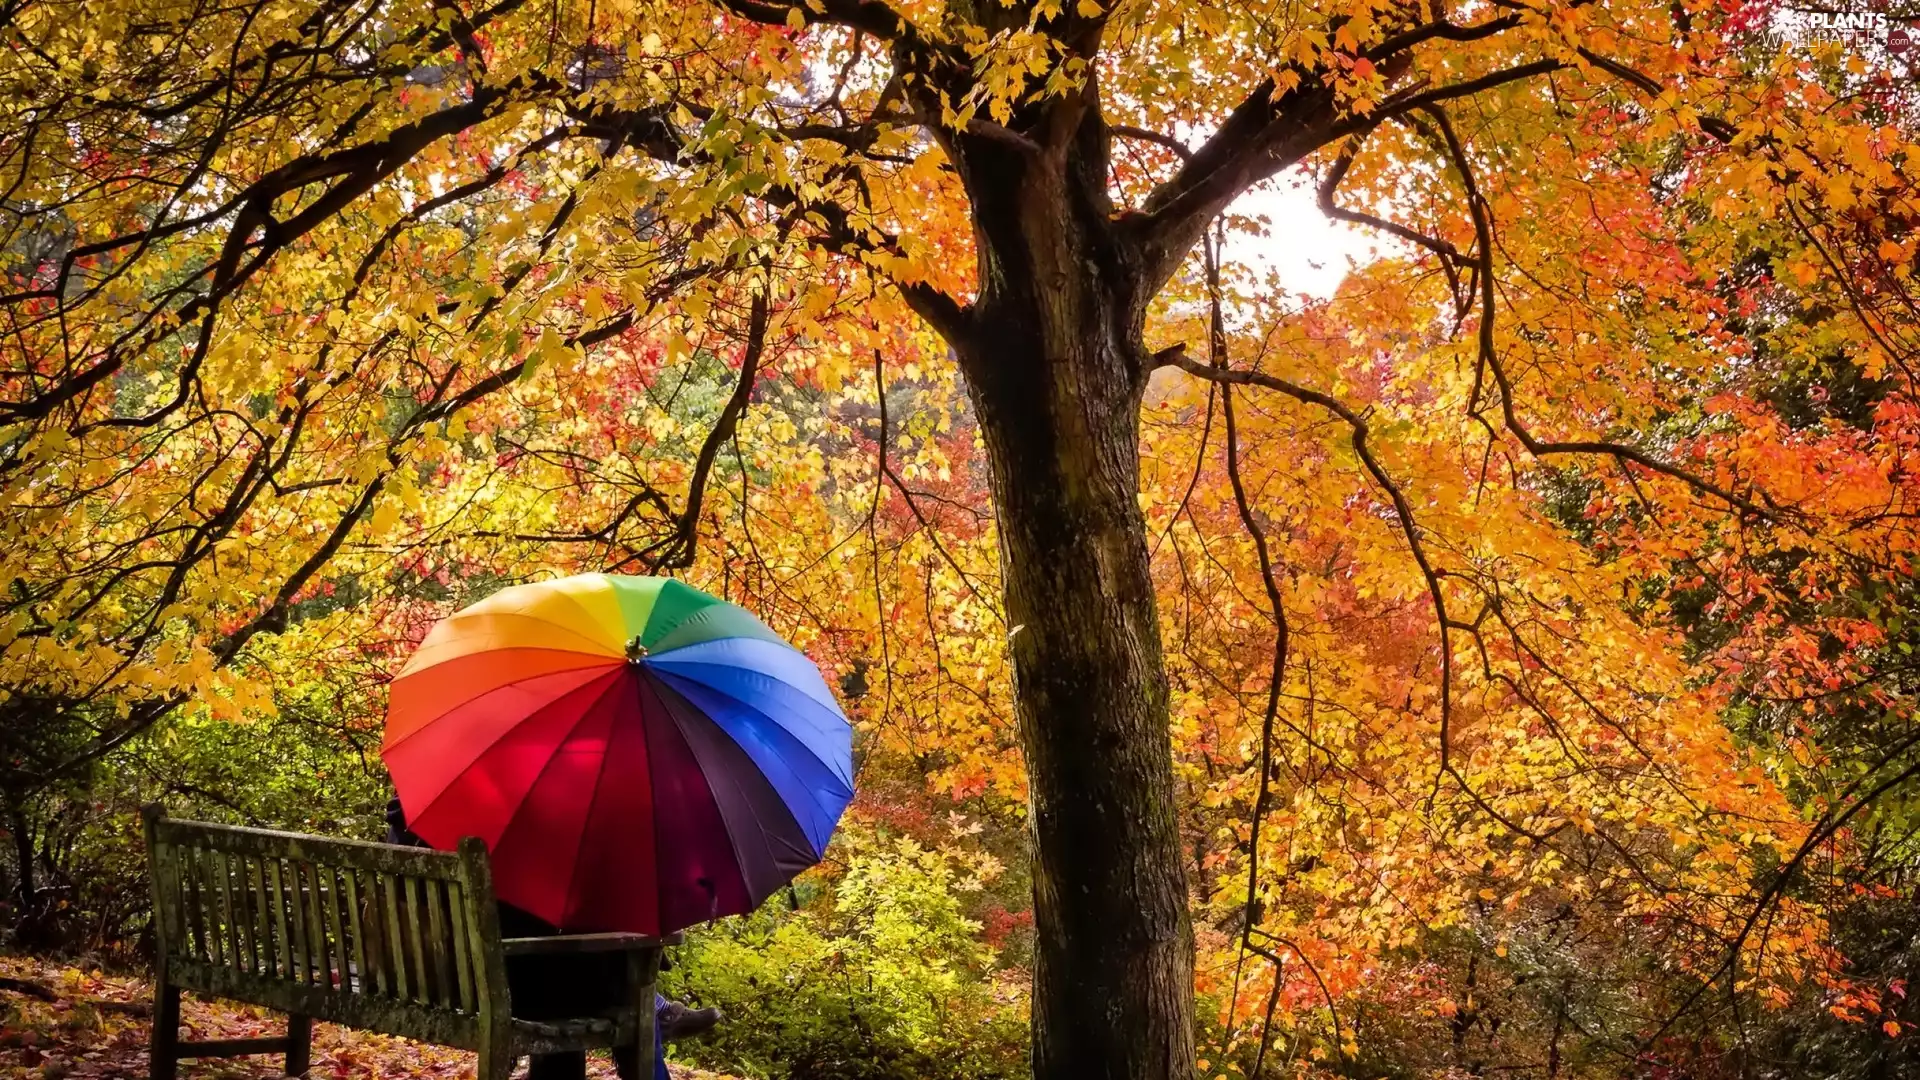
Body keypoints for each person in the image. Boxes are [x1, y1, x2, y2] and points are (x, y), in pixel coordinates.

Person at [384, 799, 720, 1080]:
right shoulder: (507, 829)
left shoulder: (415, 820)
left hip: (433, 981)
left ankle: (656, 1006)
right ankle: (657, 1010)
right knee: (631, 987)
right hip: (509, 991)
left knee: (593, 964)